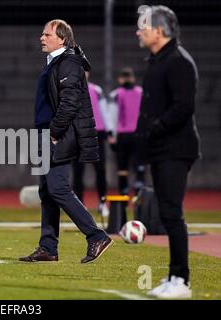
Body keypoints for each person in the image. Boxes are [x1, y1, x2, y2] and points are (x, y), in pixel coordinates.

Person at [19, 19, 113, 264]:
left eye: (47, 34)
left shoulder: (68, 62)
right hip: (43, 133)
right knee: (46, 192)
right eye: (42, 34)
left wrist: (54, 131)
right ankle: (48, 247)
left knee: (57, 188)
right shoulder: (55, 62)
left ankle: (96, 235)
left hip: (56, 135)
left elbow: (69, 103)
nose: (42, 38)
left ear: (61, 39)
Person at [135, 6, 200, 298]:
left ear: (159, 31)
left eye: (144, 26)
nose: (139, 31)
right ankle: (174, 275)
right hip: (162, 149)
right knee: (167, 212)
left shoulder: (177, 61)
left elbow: (184, 106)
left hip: (175, 148)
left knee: (172, 213)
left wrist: (154, 129)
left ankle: (181, 281)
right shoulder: (159, 60)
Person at [72, 71, 113, 217]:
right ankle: (80, 205)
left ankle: (102, 203)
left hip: (96, 132)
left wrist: (109, 131)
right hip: (78, 132)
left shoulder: (96, 90)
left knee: (100, 170)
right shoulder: (70, 90)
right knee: (78, 171)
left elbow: (105, 111)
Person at [108, 67, 145, 195]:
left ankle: (139, 194)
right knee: (123, 166)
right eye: (125, 77)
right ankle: (124, 194)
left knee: (139, 166)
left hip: (137, 134)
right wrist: (111, 135)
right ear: (120, 79)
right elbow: (112, 116)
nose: (127, 79)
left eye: (129, 76)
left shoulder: (141, 92)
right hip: (123, 135)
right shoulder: (116, 94)